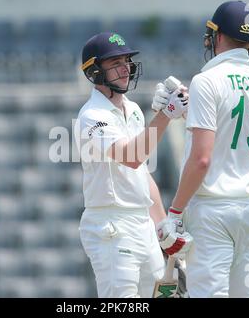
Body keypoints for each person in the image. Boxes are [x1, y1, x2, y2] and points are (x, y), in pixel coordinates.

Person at [153, 1, 249, 297]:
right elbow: (231, 129)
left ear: (217, 36)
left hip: (213, 208)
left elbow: (203, 159)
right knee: (247, 293)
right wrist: (187, 111)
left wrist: (175, 211)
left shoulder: (206, 81)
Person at [74, 32, 193, 298]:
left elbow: (141, 172)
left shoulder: (135, 110)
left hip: (142, 225)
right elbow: (131, 155)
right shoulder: (92, 116)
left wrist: (163, 226)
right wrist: (165, 115)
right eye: (115, 62)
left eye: (126, 61)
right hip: (111, 226)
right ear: (95, 71)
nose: (125, 68)